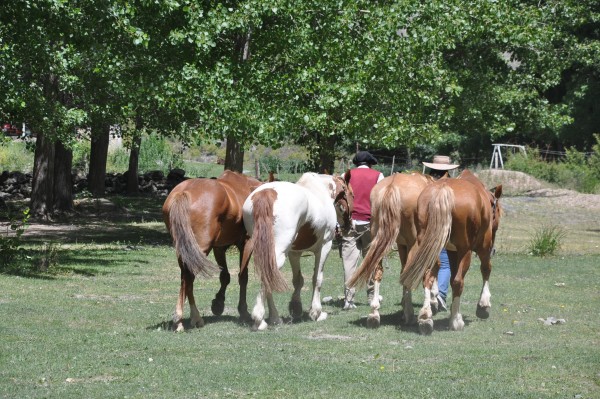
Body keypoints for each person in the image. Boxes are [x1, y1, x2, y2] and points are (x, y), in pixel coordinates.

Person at [339, 151, 384, 310]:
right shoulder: (378, 176)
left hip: (350, 223)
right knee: (371, 260)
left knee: (349, 262)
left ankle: (348, 300)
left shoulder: (346, 174)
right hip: (369, 223)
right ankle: (372, 295)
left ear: (356, 163)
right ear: (370, 163)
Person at [422, 155, 460, 312]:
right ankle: (441, 294)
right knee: (445, 264)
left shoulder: (425, 184)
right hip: (444, 232)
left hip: (425, 232)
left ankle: (430, 292)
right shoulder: (452, 187)